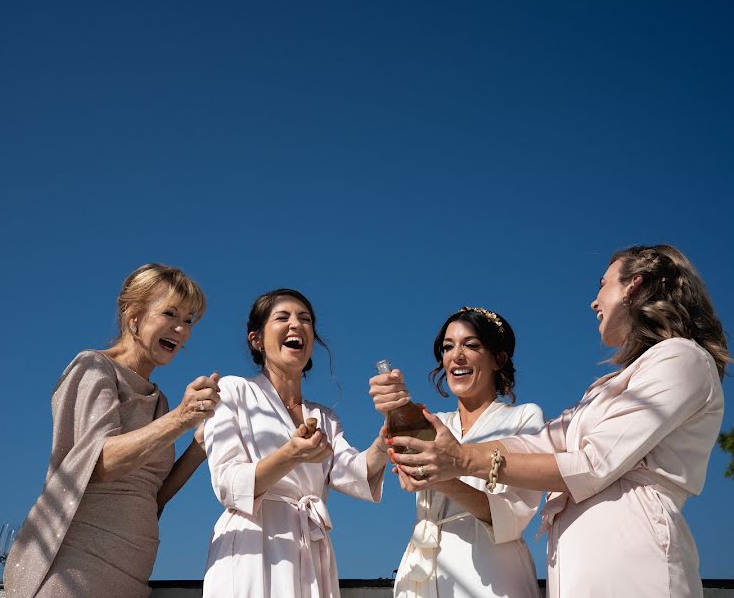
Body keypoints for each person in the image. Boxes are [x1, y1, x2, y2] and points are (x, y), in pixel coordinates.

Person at [376, 245, 727, 597]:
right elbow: (539, 443)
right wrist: (435, 448)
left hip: (635, 564)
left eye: (602, 284)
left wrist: (461, 460)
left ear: (633, 286)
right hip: (576, 573)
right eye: (447, 347)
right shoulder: (602, 390)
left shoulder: (681, 358)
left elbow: (595, 462)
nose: (594, 301)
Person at [4, 264, 219, 598]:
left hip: (132, 569)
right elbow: (102, 464)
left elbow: (152, 495)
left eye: (189, 320)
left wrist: (200, 444)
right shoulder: (93, 367)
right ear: (133, 315)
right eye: (170, 314)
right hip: (77, 568)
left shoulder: (158, 399)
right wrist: (180, 418)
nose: (181, 329)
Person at [203, 288, 389, 598]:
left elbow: (355, 472)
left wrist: (388, 434)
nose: (296, 325)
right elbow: (227, 483)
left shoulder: (323, 417)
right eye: (282, 317)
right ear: (256, 339)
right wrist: (290, 454)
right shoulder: (233, 392)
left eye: (305, 319)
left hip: (309, 546)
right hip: (251, 544)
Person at [369, 307, 543, 598]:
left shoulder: (524, 418)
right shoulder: (432, 422)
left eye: (471, 345)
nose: (456, 356)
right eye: (448, 347)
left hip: (491, 575)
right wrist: (394, 412)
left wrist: (442, 478)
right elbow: (402, 471)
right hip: (422, 572)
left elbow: (514, 514)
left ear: (498, 359)